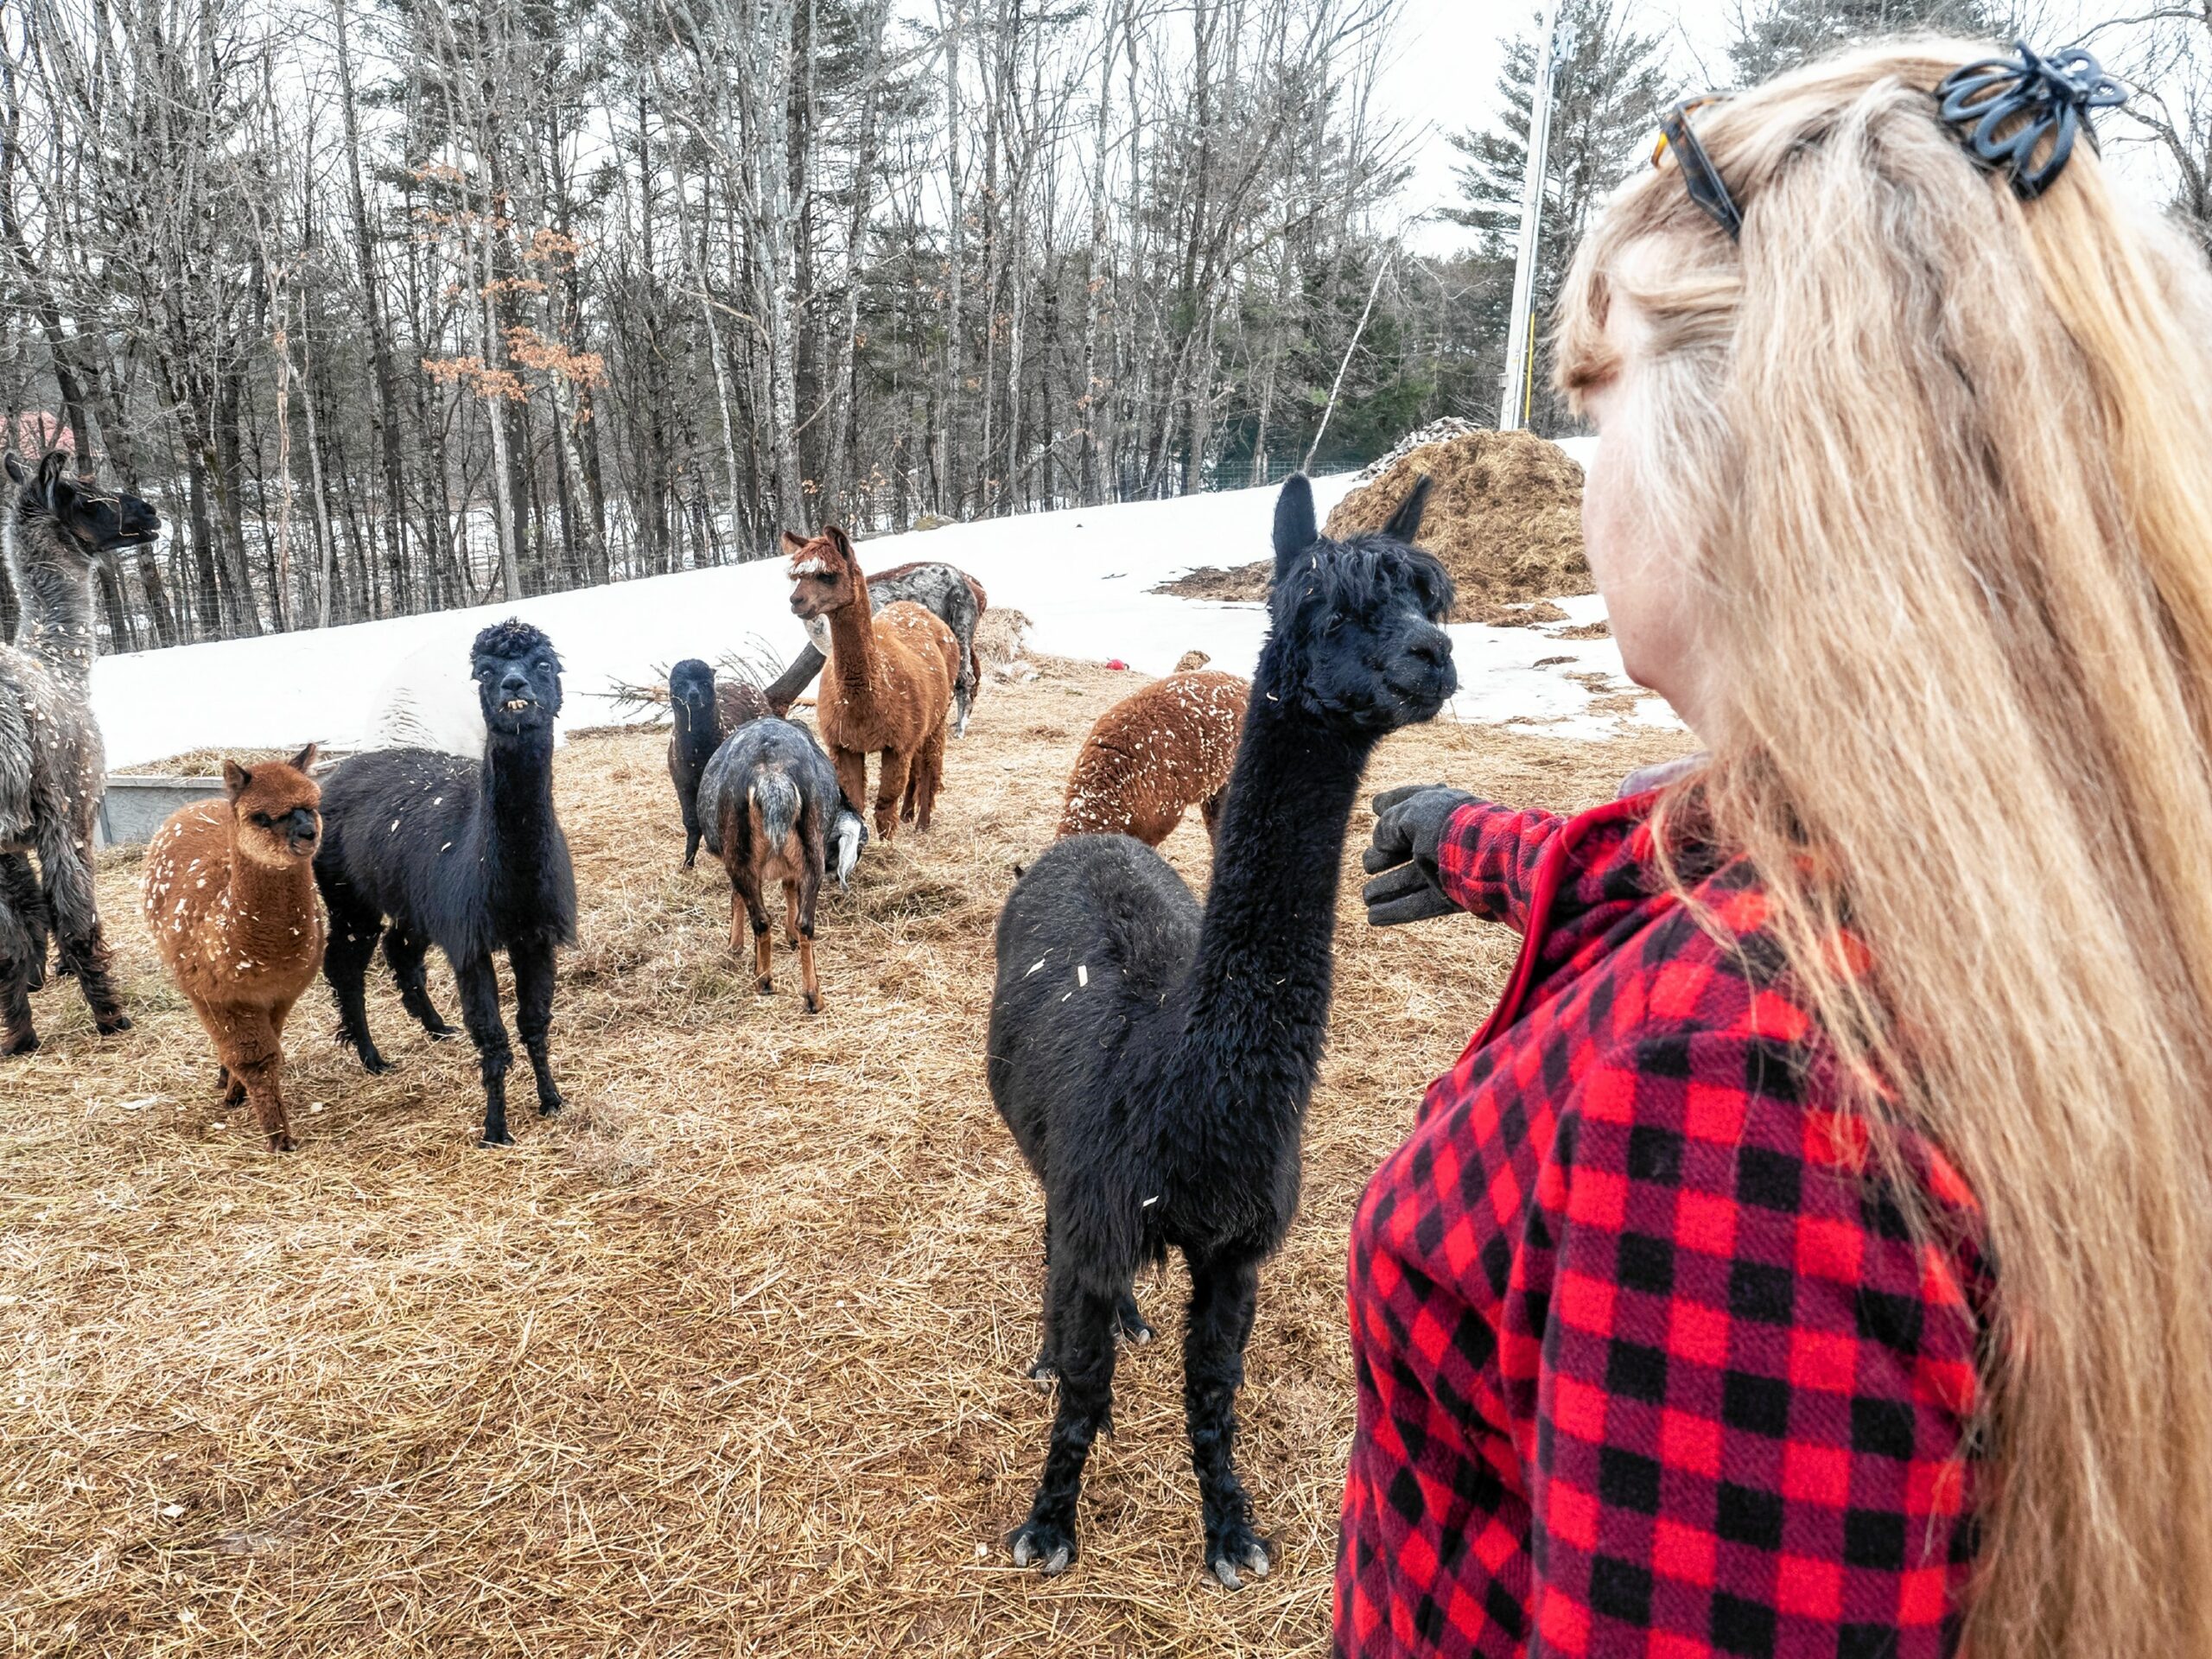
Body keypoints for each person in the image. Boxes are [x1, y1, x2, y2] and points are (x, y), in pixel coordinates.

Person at [1339, 40, 2212, 1659]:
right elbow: (1714, 873)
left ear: (1747, 463)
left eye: (1599, 425)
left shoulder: (1745, 1094)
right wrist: (1481, 850)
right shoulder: (2062, 864)